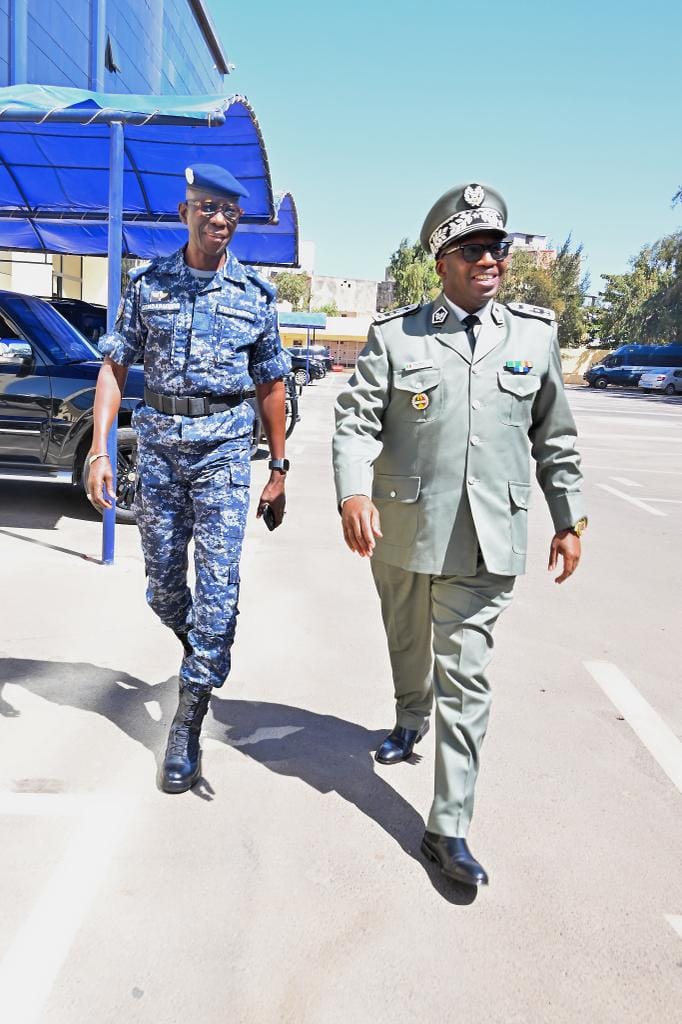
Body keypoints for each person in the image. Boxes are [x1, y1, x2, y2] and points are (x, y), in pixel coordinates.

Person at [333, 182, 587, 886]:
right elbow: (355, 422)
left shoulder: (534, 337)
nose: (490, 260)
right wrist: (353, 491)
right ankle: (409, 714)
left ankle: (448, 828)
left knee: (467, 677)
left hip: (487, 539)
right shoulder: (396, 335)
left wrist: (569, 517)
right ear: (442, 260)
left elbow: (555, 438)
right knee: (407, 640)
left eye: (497, 248)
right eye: (473, 249)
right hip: (404, 526)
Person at [89, 163, 291, 794]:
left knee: (218, 587)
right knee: (164, 592)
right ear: (185, 214)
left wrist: (278, 468)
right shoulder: (148, 285)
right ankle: (207, 642)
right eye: (207, 207)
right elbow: (114, 369)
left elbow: (272, 384)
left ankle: (187, 719)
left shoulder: (256, 297)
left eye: (229, 211)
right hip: (159, 454)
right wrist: (99, 451)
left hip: (225, 455)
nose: (218, 219)